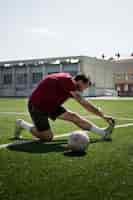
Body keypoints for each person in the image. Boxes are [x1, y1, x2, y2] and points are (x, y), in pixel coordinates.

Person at [14, 72, 115, 141]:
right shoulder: (68, 82)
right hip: (37, 106)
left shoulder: (70, 85)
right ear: (80, 81)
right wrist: (103, 116)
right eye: (85, 86)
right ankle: (21, 124)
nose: (84, 90)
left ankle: (103, 133)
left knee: (73, 116)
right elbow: (84, 104)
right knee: (47, 137)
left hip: (51, 105)